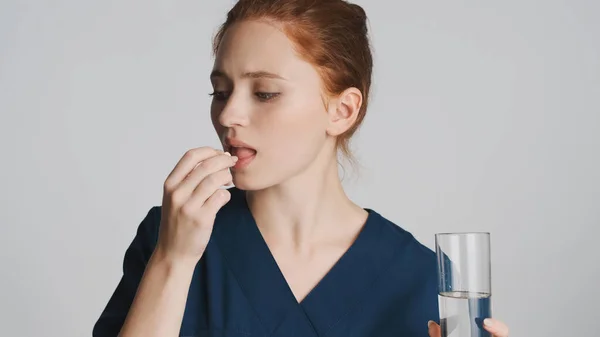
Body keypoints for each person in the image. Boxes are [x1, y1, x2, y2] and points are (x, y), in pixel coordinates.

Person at [93, 0, 510, 336]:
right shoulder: (170, 236)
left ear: (342, 111)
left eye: (266, 93)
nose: (228, 115)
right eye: (220, 91)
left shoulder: (422, 279)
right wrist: (173, 261)